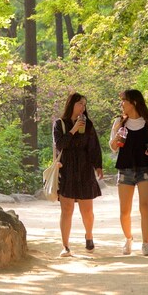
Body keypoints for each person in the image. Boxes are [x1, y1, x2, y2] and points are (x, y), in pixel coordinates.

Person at [108, 89, 148, 255]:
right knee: (125, 210)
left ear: (134, 102)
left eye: (124, 101)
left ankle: (146, 244)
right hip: (125, 168)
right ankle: (128, 239)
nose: (121, 104)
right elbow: (113, 147)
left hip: (145, 168)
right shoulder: (119, 122)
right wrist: (116, 138)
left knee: (145, 206)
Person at [54, 92, 103, 257]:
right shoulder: (60, 124)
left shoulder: (88, 125)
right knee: (66, 209)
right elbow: (60, 145)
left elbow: (94, 146)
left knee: (87, 210)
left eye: (84, 104)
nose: (83, 107)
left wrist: (98, 166)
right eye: (80, 103)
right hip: (66, 168)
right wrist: (73, 129)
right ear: (71, 105)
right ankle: (65, 246)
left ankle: (89, 235)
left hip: (84, 168)